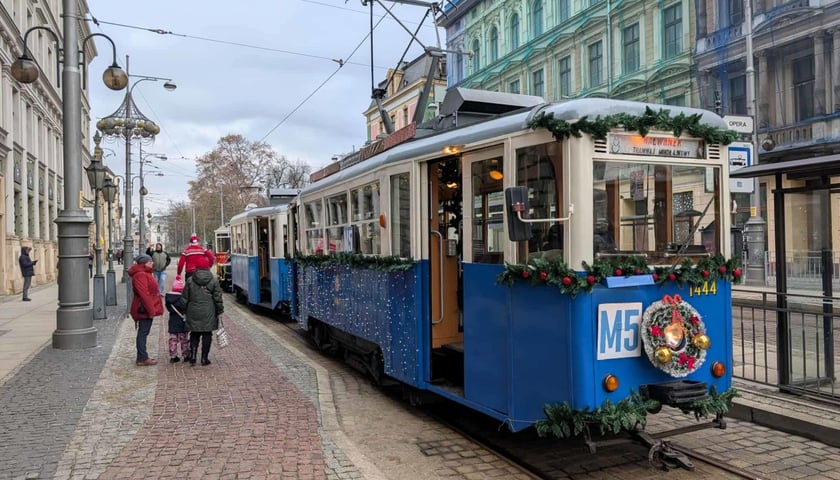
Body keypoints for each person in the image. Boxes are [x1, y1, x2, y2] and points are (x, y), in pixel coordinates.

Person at [182, 257, 224, 366]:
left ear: (197, 266)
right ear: (208, 266)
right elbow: (217, 297)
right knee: (207, 333)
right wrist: (220, 310)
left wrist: (183, 310)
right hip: (208, 310)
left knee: (194, 333)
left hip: (193, 310)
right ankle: (204, 358)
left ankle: (193, 356)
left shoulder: (190, 280)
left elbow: (185, 297)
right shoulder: (213, 280)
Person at [129, 254, 164, 366]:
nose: (152, 263)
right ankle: (142, 357)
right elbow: (144, 294)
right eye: (150, 262)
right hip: (143, 309)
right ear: (145, 263)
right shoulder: (140, 275)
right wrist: (151, 311)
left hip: (145, 307)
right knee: (143, 332)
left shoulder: (145, 273)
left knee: (144, 331)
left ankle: (142, 356)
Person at [165, 275, 190, 363]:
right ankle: (186, 355)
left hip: (172, 322)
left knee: (173, 339)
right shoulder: (182, 299)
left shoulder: (168, 299)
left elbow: (168, 308)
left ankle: (173, 356)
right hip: (182, 322)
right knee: (184, 340)